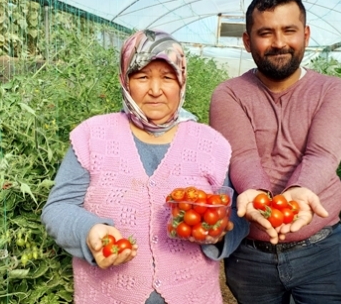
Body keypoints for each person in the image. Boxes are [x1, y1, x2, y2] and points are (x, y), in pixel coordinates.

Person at [41, 29, 249, 304]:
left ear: (182, 81)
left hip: (193, 295)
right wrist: (88, 231)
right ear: (124, 80)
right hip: (108, 296)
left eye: (167, 77)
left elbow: (236, 211)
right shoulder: (92, 136)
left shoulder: (211, 144)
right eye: (142, 77)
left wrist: (218, 236)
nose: (155, 90)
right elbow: (58, 207)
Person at [209, 0, 341, 304]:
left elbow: (322, 154)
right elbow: (242, 155)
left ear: (305, 35)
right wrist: (259, 195)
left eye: (289, 31)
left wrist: (302, 189)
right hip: (250, 256)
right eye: (265, 33)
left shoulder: (331, 90)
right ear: (247, 41)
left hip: (323, 249)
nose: (279, 42)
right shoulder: (229, 94)